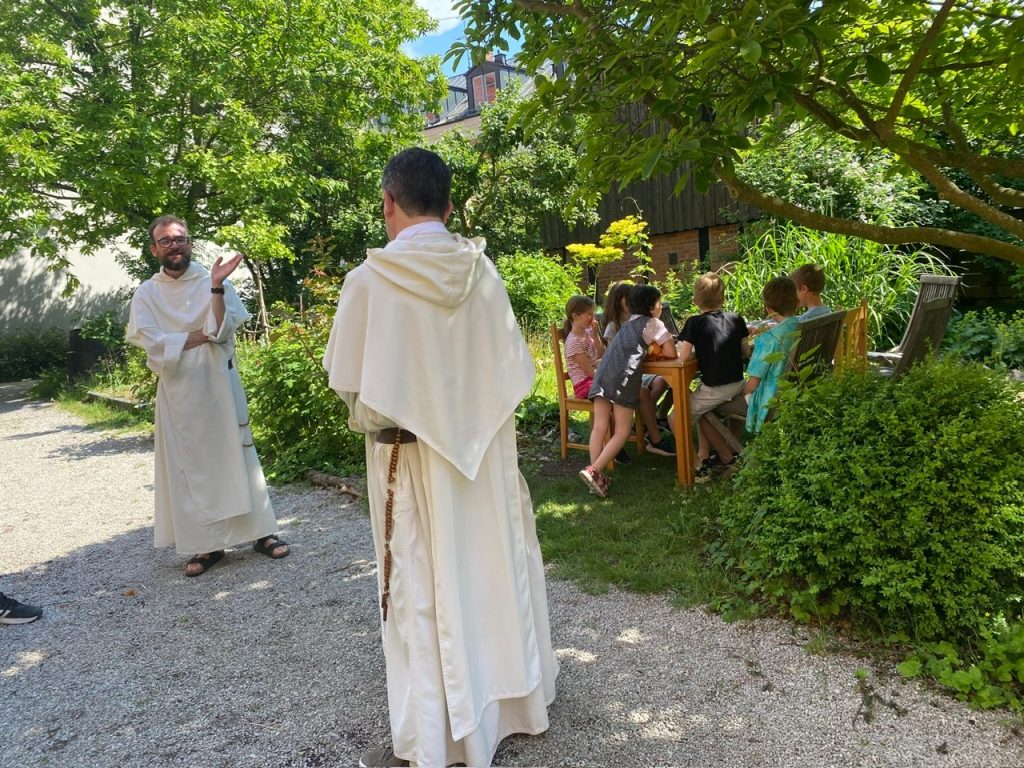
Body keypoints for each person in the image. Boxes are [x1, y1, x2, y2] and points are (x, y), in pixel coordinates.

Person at [322, 147, 557, 768]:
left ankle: (437, 740)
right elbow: (513, 371)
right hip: (482, 460)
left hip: (408, 461)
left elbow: (348, 382)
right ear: (450, 206)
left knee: (422, 588)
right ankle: (514, 708)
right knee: (490, 572)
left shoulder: (368, 283)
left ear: (387, 203)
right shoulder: (485, 275)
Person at [126, 215, 288, 577]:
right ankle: (207, 545)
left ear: (189, 243)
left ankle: (261, 533)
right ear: (155, 250)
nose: (174, 245)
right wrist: (198, 336)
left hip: (219, 381)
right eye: (165, 240)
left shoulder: (213, 279)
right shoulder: (147, 293)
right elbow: (152, 342)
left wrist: (215, 288)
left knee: (239, 456)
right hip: (179, 391)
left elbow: (221, 328)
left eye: (180, 239)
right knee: (191, 469)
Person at [580, 285, 678, 497]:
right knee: (623, 430)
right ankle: (594, 470)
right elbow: (671, 352)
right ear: (653, 306)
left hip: (603, 374)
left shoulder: (628, 323)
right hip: (622, 379)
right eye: (659, 302)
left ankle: (595, 477)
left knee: (599, 427)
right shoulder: (653, 322)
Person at [698, 276, 801, 471]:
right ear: (796, 302)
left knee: (704, 408)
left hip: (769, 400)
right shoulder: (799, 327)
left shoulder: (769, 339)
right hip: (792, 393)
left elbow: (752, 386)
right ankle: (732, 446)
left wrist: (738, 391)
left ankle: (727, 457)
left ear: (767, 308)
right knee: (733, 393)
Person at [676, 273, 749, 478]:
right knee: (702, 405)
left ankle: (713, 461)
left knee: (676, 418)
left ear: (695, 300)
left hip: (717, 388)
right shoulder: (736, 318)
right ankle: (708, 452)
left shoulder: (694, 323)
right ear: (723, 298)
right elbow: (746, 352)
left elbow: (683, 358)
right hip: (738, 382)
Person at [603, 281, 672, 424]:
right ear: (617, 301)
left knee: (667, 381)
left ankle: (651, 418)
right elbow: (616, 357)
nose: (631, 301)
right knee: (661, 382)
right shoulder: (614, 326)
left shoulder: (642, 321)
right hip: (627, 374)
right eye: (627, 298)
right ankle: (645, 420)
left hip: (643, 368)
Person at [563, 295, 604, 399]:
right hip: (584, 385)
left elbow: (602, 354)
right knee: (614, 389)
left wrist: (595, 336)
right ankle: (607, 415)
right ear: (575, 316)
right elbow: (589, 371)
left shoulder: (589, 332)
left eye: (593, 314)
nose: (593, 318)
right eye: (589, 314)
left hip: (594, 378)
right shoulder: (574, 342)